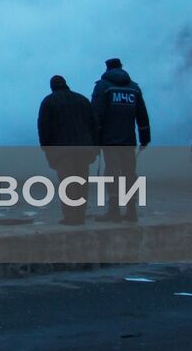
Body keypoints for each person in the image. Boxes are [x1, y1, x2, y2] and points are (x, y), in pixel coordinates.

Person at [92, 57, 151, 223]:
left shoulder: (103, 87)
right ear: (121, 67)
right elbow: (142, 115)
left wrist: (95, 141)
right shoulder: (134, 88)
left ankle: (114, 210)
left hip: (109, 141)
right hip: (129, 140)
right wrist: (145, 138)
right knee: (129, 173)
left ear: (107, 69)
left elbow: (96, 116)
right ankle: (132, 211)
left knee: (111, 173)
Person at [37, 75, 98, 225]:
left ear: (52, 86)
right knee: (82, 183)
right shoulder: (82, 100)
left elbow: (44, 127)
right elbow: (94, 125)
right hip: (84, 149)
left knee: (68, 184)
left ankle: (71, 217)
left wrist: (46, 148)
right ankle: (81, 216)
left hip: (63, 151)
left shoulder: (49, 101)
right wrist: (95, 146)